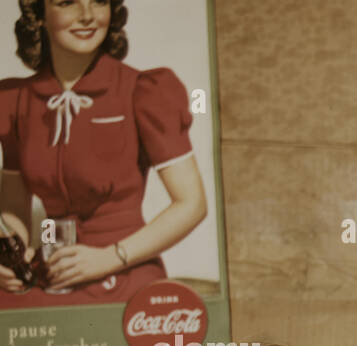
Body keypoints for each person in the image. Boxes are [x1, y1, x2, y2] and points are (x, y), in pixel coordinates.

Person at [0, 0, 206, 305]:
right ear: (39, 15)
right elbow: (15, 206)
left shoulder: (144, 90)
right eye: (67, 2)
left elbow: (192, 204)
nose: (87, 16)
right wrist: (10, 258)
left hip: (125, 272)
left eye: (98, 1)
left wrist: (110, 257)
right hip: (52, 273)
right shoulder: (16, 100)